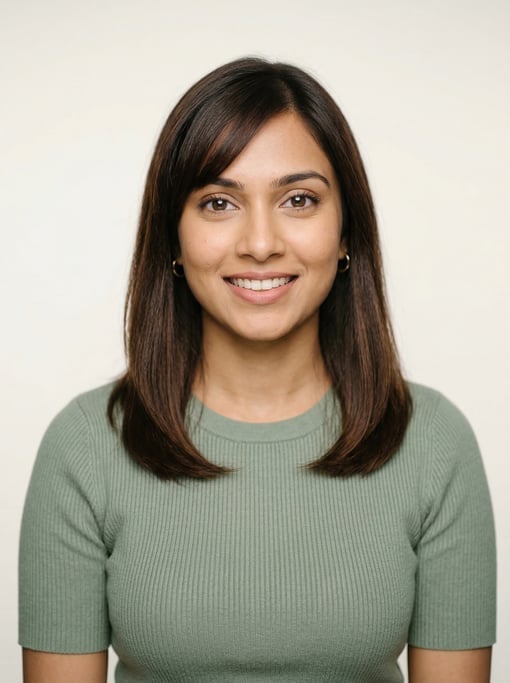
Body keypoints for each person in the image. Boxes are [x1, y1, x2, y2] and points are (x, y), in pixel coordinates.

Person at [19, 57, 496, 682]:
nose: (261, 242)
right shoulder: (85, 446)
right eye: (219, 202)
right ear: (174, 239)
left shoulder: (433, 442)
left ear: (347, 230)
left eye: (299, 199)